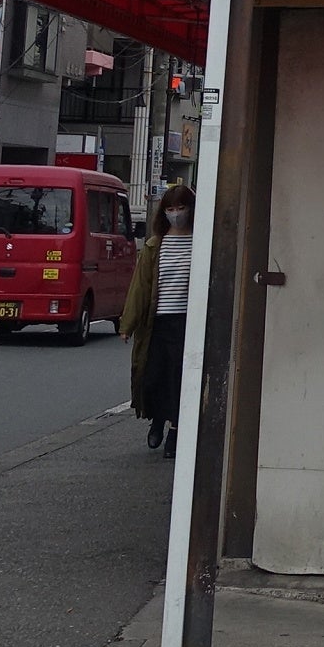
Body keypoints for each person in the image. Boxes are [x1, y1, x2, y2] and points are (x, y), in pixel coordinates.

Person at [128, 183, 195, 456]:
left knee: (179, 380)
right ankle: (156, 420)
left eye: (181, 207)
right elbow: (140, 287)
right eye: (170, 208)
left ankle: (174, 434)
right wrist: (128, 324)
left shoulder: (202, 242)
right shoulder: (156, 244)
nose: (176, 213)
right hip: (157, 323)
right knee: (152, 376)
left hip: (186, 323)